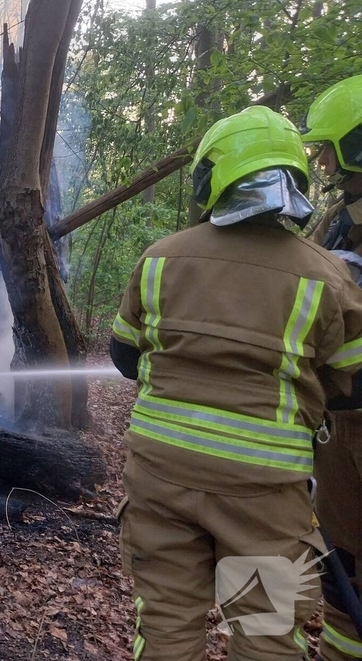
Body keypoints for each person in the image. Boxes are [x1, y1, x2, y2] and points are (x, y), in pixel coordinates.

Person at [110, 105, 362, 660]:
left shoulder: (161, 259)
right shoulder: (327, 277)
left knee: (168, 628)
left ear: (211, 178)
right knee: (268, 633)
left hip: (161, 481)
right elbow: (353, 385)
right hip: (263, 498)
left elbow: (124, 357)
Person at [301, 74, 362, 661]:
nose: (321, 160)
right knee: (339, 568)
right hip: (337, 423)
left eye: (330, 147)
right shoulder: (340, 217)